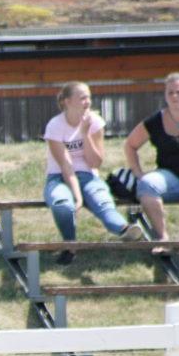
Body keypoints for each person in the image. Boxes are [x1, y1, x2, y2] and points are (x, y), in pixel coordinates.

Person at [43, 81, 143, 265]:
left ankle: (124, 229)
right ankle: (70, 246)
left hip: (88, 175)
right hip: (59, 177)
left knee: (102, 200)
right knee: (62, 204)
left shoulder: (95, 122)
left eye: (89, 97)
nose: (87, 102)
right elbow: (65, 166)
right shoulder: (55, 125)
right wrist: (78, 197)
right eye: (82, 98)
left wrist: (85, 133)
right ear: (67, 101)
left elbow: (95, 162)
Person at [124, 72, 179, 252]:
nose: (175, 96)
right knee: (147, 184)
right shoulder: (155, 121)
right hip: (170, 177)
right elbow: (130, 145)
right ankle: (163, 239)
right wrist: (138, 173)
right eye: (170, 92)